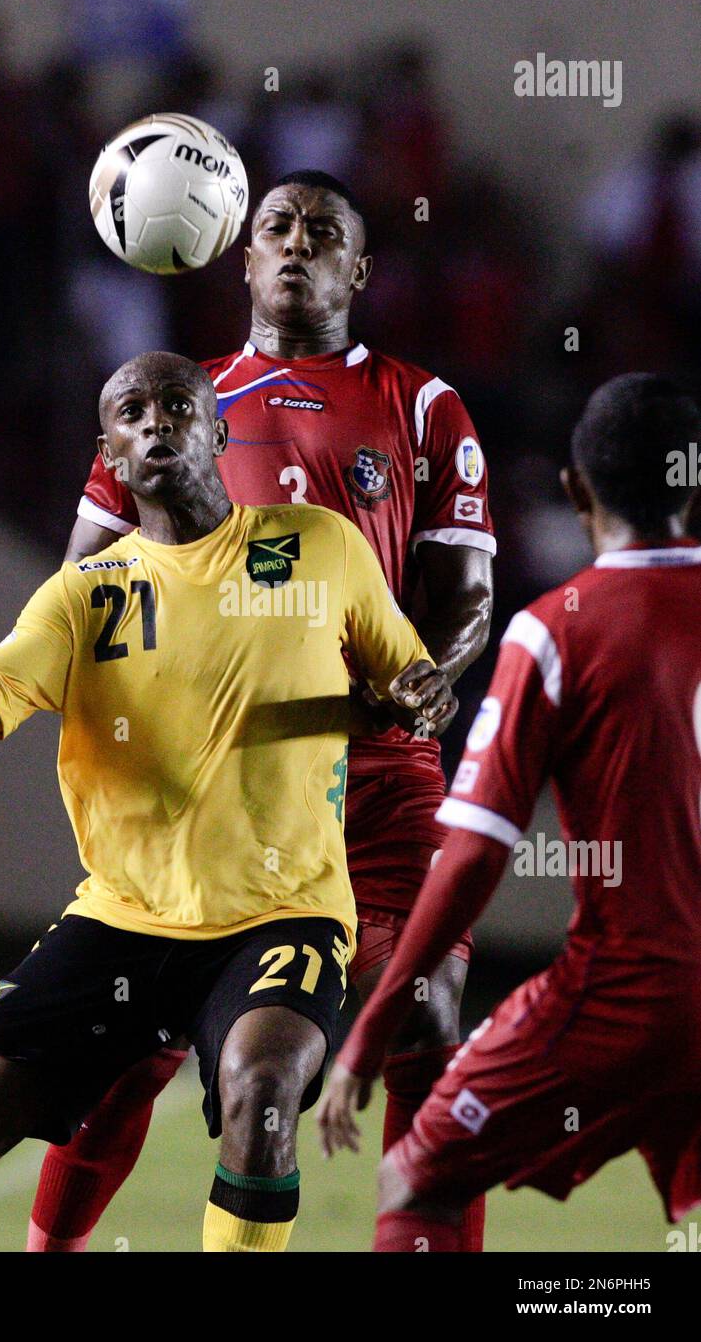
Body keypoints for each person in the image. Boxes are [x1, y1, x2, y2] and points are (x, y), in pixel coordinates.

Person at [0, 352, 456, 1255]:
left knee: (263, 1085)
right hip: (125, 917)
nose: (155, 422)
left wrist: (421, 693)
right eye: (131, 412)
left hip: (285, 913)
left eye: (178, 406)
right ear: (111, 453)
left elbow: (408, 674)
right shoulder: (83, 596)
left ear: (217, 432)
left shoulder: (321, 543)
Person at [29, 169, 495, 1253]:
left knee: (427, 1017)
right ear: (239, 258)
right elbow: (82, 585)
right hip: (220, 794)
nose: (294, 245)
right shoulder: (171, 404)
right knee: (127, 1050)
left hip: (379, 779)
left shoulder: (420, 404)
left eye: (321, 232)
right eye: (274, 227)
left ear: (358, 268)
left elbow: (463, 594)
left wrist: (430, 669)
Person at [317, 373, 701, 1251]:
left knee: (415, 1175)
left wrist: (370, 1029)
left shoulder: (557, 631)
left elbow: (472, 854)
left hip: (625, 992)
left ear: (573, 491)